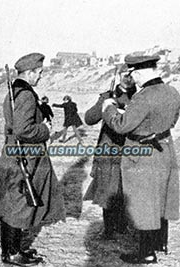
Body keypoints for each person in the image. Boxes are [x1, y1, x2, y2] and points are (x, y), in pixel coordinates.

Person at [0, 53, 66, 266]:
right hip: (24, 157)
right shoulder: (26, 95)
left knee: (15, 204)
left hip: (15, 154)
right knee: (18, 206)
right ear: (29, 73)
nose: (40, 77)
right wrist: (45, 130)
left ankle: (15, 250)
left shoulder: (15, 92)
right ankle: (11, 253)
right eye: (38, 73)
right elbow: (23, 129)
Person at [102, 54, 180, 264]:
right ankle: (159, 243)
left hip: (142, 154)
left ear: (137, 73)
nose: (132, 79)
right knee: (161, 197)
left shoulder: (144, 96)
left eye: (132, 74)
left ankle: (146, 252)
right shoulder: (172, 91)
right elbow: (172, 120)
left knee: (143, 202)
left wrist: (108, 107)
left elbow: (121, 125)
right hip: (165, 149)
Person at [83, 70, 137, 239]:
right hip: (108, 149)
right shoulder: (107, 95)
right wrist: (104, 104)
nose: (128, 78)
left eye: (131, 74)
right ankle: (109, 228)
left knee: (126, 189)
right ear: (118, 76)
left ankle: (123, 225)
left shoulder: (140, 96)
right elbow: (89, 119)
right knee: (107, 188)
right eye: (125, 74)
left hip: (130, 149)